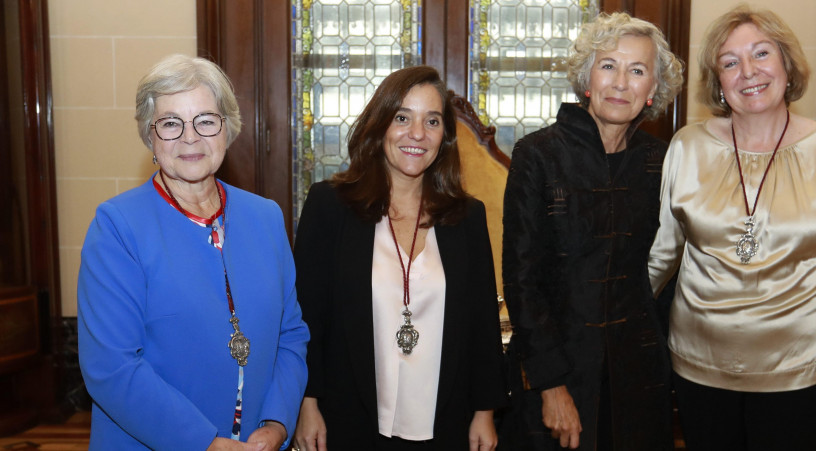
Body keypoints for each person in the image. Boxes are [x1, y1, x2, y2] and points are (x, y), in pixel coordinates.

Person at [646, 5, 816, 450]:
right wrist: (604, 330)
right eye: (730, 62)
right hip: (698, 367)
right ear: (718, 80)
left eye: (761, 54)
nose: (748, 72)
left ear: (787, 63)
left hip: (801, 371)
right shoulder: (687, 147)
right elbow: (660, 256)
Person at [77, 54, 310, 450]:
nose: (190, 137)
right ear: (150, 136)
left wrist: (278, 422)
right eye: (171, 123)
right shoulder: (117, 226)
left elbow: (291, 335)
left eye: (205, 120)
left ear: (227, 129)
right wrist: (203, 442)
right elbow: (111, 367)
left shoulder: (266, 217)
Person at [292, 65, 507, 451]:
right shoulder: (330, 206)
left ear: (444, 137)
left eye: (432, 121)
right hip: (349, 418)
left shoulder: (467, 217)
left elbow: (481, 325)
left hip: (447, 421)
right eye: (402, 117)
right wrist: (307, 404)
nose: (417, 134)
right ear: (380, 126)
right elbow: (308, 317)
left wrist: (484, 411)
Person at [501, 12, 684, 450]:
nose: (621, 82)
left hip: (640, 378)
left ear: (652, 90)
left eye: (637, 70)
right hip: (556, 372)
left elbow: (674, 271)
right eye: (609, 66)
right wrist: (551, 385)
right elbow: (523, 281)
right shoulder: (538, 154)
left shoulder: (663, 161)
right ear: (587, 78)